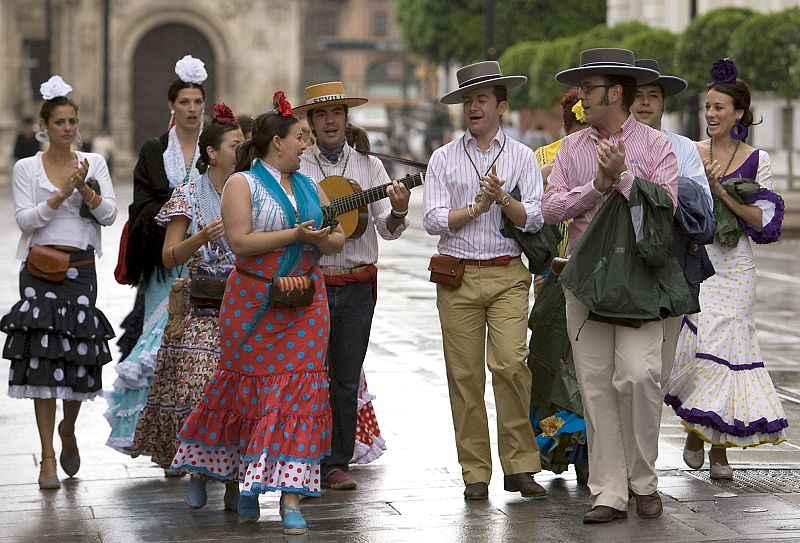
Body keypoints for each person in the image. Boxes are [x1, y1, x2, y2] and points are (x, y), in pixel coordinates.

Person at [171, 91, 346, 535]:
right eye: (299, 137)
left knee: (300, 396)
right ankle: (237, 480)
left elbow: (338, 237)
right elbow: (240, 243)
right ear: (276, 143)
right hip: (254, 302)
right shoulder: (242, 184)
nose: (305, 145)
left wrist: (323, 240)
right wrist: (296, 235)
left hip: (305, 301)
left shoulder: (311, 186)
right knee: (247, 393)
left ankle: (291, 500)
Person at [542, 48, 676, 523]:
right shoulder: (574, 149)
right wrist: (596, 187)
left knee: (640, 376)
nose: (580, 98)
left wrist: (621, 176)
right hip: (584, 283)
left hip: (641, 283)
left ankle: (644, 480)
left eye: (589, 88)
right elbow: (550, 209)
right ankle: (609, 492)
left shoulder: (656, 145)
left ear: (615, 92)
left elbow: (667, 206)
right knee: (596, 386)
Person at [422, 61, 546, 501]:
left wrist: (502, 199)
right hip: (456, 278)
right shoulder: (443, 158)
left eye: (482, 100)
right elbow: (432, 218)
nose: (473, 108)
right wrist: (474, 209)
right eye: (468, 101)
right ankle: (475, 472)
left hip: (509, 275)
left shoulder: (522, 157)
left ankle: (520, 466)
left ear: (501, 106)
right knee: (465, 376)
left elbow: (534, 217)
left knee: (512, 365)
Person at [664, 58, 787, 479]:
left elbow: (763, 221)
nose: (711, 114)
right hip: (699, 262)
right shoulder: (690, 152)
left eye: (719, 107)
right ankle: (699, 434)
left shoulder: (758, 159)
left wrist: (722, 192)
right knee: (700, 348)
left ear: (739, 113)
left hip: (736, 268)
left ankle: (717, 449)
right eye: (708, 107)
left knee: (728, 348)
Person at [1, 75, 117, 489]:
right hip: (38, 271)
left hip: (81, 270)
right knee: (42, 361)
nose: (67, 128)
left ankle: (69, 429)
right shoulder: (27, 167)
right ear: (45, 126)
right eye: (60, 122)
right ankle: (47, 455)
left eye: (72, 121)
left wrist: (83, 189)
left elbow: (108, 216)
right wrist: (57, 195)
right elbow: (24, 220)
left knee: (77, 357)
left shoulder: (94, 163)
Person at [295, 81, 410, 490]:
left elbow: (387, 228)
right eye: (323, 114)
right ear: (311, 121)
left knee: (345, 375)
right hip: (312, 285)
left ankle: (335, 462)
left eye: (338, 113)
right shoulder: (298, 166)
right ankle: (304, 456)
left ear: (346, 119)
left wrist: (397, 211)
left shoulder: (370, 166)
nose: (330, 121)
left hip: (358, 284)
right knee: (310, 374)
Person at [130, 103, 244, 510]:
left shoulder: (248, 187)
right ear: (213, 152)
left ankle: (233, 481)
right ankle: (198, 468)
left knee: (238, 398)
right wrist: (201, 238)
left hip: (245, 307)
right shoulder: (189, 193)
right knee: (200, 393)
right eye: (235, 144)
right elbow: (169, 256)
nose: (241, 149)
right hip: (201, 309)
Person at [105, 55, 207, 459]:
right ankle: (162, 440)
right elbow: (140, 205)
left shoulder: (213, 147)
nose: (192, 109)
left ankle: (196, 440)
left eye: (198, 101)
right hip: (163, 264)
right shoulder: (153, 150)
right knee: (160, 348)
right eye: (185, 101)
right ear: (172, 105)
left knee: (198, 352)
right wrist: (178, 207)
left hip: (204, 262)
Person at [630, 58, 714, 386]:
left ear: (664, 102)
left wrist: (653, 187)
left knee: (659, 370)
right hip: (623, 266)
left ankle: (644, 438)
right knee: (628, 372)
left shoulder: (684, 148)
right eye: (638, 95)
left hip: (672, 265)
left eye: (653, 95)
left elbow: (702, 205)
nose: (645, 102)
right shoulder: (611, 143)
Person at [526, 87, 589, 485]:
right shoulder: (548, 159)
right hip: (564, 277)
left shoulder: (543, 158)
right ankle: (564, 439)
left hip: (557, 278)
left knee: (563, 371)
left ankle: (555, 438)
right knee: (570, 370)